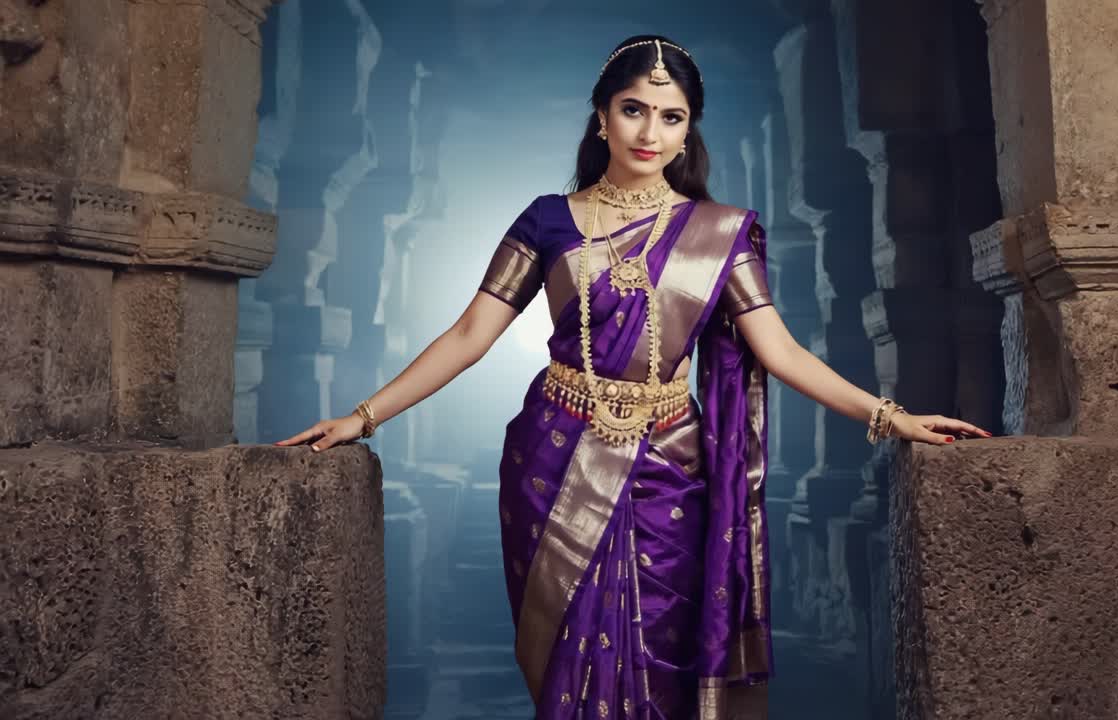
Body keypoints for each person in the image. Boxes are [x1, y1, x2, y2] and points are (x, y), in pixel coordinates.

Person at [278, 34, 989, 720]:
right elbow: (469, 336)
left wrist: (891, 417)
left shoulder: (720, 233)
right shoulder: (549, 221)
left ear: (688, 130)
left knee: (661, 655)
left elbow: (782, 352)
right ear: (602, 116)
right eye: (634, 109)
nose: (651, 131)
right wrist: (363, 416)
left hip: (670, 468)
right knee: (562, 657)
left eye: (672, 115)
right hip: (552, 459)